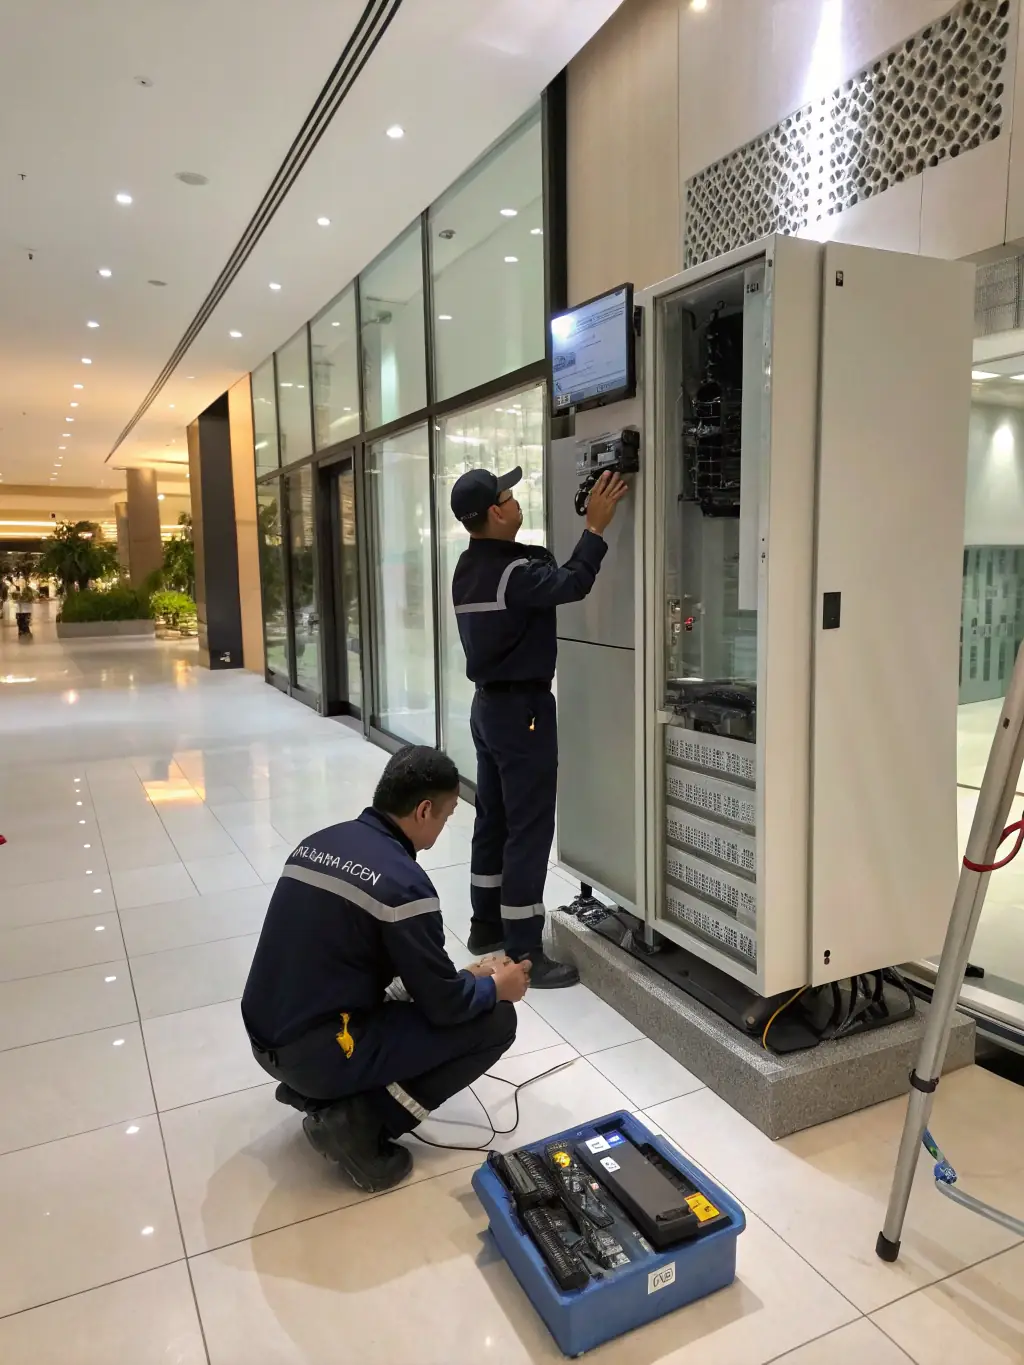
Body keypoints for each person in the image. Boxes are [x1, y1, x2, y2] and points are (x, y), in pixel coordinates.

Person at [241, 745, 531, 1194]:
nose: (444, 825)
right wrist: (497, 987)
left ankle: (323, 1092)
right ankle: (359, 1125)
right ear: (423, 810)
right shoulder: (404, 886)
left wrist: (468, 976)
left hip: (269, 1038)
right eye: (448, 815)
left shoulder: (318, 843)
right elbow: (445, 1009)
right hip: (316, 1051)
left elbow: (380, 964)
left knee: (442, 998)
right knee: (494, 1021)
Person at [450, 465, 629, 989]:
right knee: (528, 829)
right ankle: (526, 950)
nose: (514, 498)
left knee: (495, 820)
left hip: (487, 710)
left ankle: (486, 927)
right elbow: (571, 582)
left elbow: (537, 570)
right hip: (522, 714)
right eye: (507, 495)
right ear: (496, 513)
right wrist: (595, 527)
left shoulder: (470, 566)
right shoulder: (515, 575)